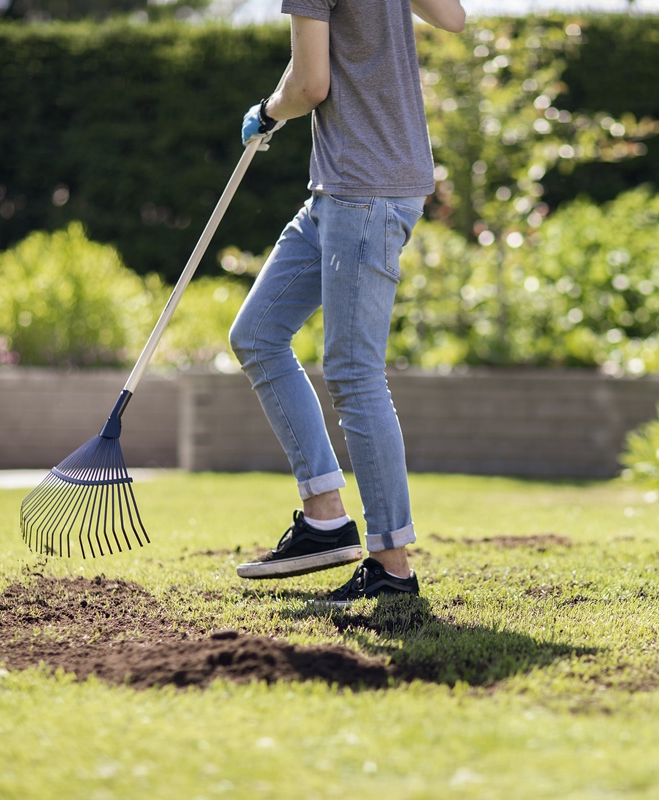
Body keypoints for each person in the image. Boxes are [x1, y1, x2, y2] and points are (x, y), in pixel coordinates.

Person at [228, 0, 466, 605]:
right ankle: (325, 518)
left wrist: (266, 111)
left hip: (364, 190)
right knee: (257, 333)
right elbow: (455, 16)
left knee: (356, 373)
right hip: (343, 189)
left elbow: (310, 84)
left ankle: (392, 569)